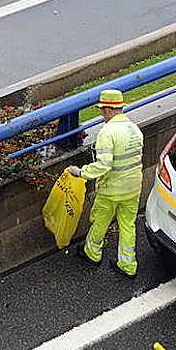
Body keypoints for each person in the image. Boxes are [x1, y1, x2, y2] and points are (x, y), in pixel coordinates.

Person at [66, 89, 144, 277]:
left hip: (111, 190)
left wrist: (80, 173)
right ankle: (128, 265)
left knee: (100, 221)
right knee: (127, 225)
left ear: (108, 109)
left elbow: (103, 165)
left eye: (102, 110)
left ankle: (92, 253)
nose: (101, 114)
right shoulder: (135, 129)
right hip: (133, 187)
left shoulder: (107, 133)